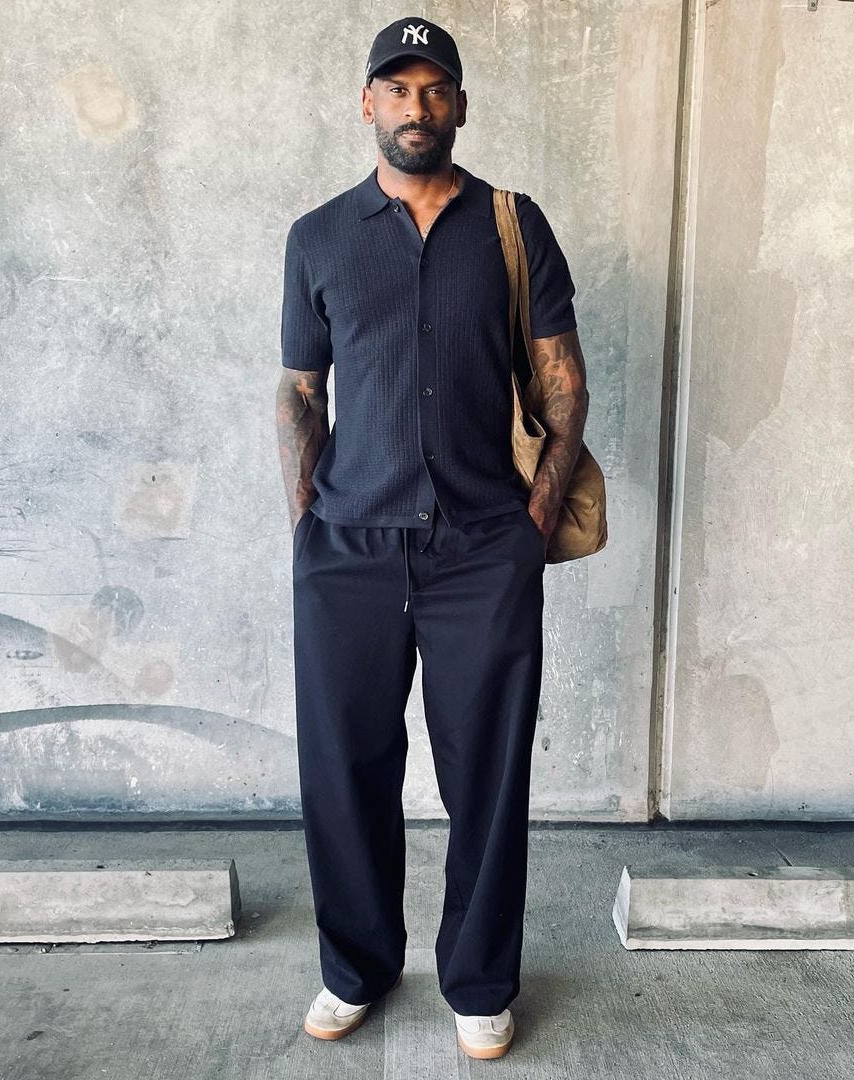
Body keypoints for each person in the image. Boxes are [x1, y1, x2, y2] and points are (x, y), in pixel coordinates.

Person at [275, 15, 589, 1060]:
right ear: (367, 104)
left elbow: (563, 385)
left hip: (481, 552)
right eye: (397, 89)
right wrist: (307, 527)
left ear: (460, 103)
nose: (417, 106)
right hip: (348, 553)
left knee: (487, 776)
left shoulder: (512, 223)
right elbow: (297, 396)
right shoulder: (318, 237)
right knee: (344, 768)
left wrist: (530, 527)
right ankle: (355, 968)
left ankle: (480, 981)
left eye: (436, 88)